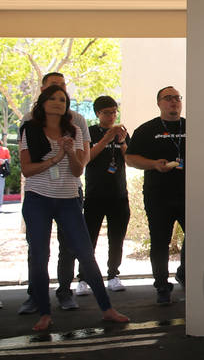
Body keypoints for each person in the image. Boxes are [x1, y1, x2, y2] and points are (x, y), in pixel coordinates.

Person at [18, 85, 129, 331]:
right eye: (53, 98)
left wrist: (69, 153)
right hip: (38, 199)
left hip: (69, 199)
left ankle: (107, 308)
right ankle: (45, 313)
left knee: (85, 253)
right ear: (43, 103)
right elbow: (27, 170)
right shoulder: (31, 130)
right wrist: (55, 159)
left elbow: (79, 169)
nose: (58, 102)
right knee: (39, 255)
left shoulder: (76, 130)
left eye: (62, 99)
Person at [19, 71, 90, 314]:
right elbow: (27, 161)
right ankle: (35, 296)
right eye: (53, 88)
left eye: (62, 89)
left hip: (70, 192)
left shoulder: (77, 120)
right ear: (43, 90)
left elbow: (84, 155)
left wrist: (74, 165)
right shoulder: (29, 120)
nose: (59, 96)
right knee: (37, 248)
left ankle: (64, 292)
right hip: (40, 193)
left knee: (68, 245)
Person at [125, 86, 186, 305]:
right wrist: (153, 164)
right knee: (160, 242)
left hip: (189, 195)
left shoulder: (191, 125)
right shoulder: (147, 129)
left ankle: (186, 275)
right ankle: (162, 286)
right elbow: (130, 158)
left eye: (177, 98)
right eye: (168, 98)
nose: (174, 102)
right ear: (159, 103)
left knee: (198, 238)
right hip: (159, 195)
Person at [76, 96, 129, 295]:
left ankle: (113, 275)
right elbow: (86, 159)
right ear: (97, 114)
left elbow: (130, 159)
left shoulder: (122, 132)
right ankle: (83, 277)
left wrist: (122, 142)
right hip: (95, 195)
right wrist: (105, 139)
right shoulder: (89, 132)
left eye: (114, 112)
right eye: (107, 112)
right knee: (89, 238)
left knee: (117, 238)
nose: (112, 116)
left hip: (119, 195)